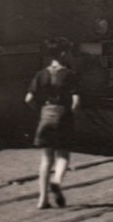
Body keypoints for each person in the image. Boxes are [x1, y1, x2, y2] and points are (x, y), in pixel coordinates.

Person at [25, 40, 81, 209]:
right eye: (69, 52)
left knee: (46, 158)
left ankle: (42, 200)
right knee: (63, 154)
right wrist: (70, 115)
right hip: (63, 114)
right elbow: (76, 101)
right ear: (64, 54)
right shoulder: (70, 75)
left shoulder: (41, 74)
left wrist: (40, 111)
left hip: (46, 114)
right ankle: (56, 181)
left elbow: (28, 99)